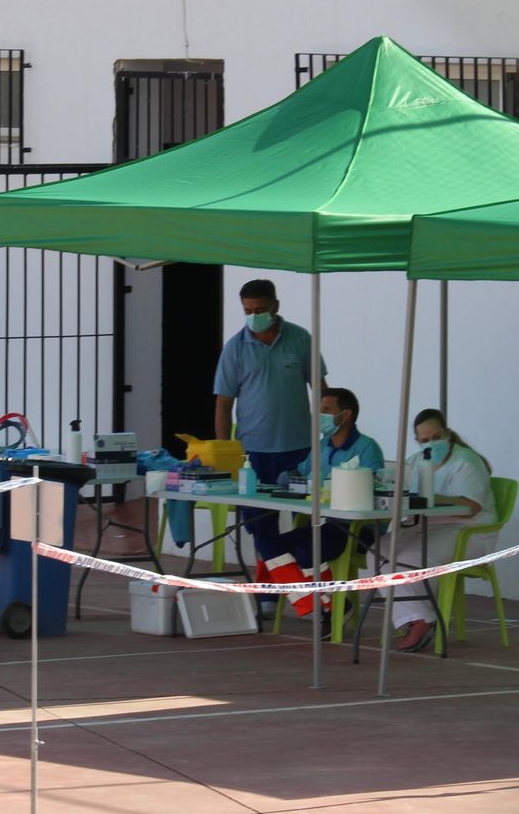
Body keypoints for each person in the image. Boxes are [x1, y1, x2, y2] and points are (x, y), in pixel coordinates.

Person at [212, 279, 327, 586]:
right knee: (262, 530)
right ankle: (270, 594)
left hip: (300, 450)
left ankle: (311, 592)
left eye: (260, 309)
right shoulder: (235, 348)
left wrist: (329, 435)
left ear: (276, 306)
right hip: (254, 454)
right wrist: (226, 454)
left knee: (311, 527)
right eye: (247, 310)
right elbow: (223, 404)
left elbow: (323, 392)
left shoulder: (301, 339)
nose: (253, 316)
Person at [265, 388, 385, 620]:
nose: (320, 415)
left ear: (346, 415)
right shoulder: (322, 445)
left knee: (306, 550)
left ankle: (328, 609)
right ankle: (326, 606)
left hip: (358, 529)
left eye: (327, 410)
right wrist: (288, 477)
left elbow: (376, 486)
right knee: (270, 546)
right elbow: (301, 472)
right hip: (329, 525)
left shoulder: (367, 447)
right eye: (319, 410)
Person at [389, 407, 496, 652]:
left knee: (409, 558)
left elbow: (470, 507)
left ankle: (420, 622)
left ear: (447, 433)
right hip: (426, 526)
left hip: (467, 530)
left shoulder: (466, 461)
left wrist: (433, 499)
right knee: (379, 555)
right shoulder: (416, 462)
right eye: (424, 440)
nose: (431, 444)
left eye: (436, 438)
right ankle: (420, 617)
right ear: (417, 442)